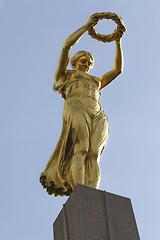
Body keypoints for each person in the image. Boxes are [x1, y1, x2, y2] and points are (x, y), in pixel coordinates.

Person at [40, 14, 124, 196]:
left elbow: (118, 70)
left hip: (97, 112)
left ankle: (92, 195)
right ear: (75, 62)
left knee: (94, 154)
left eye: (89, 62)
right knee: (81, 148)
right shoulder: (65, 76)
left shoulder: (96, 81)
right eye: (83, 61)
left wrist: (117, 41)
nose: (87, 64)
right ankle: (80, 192)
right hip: (76, 107)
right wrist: (86, 27)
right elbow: (66, 45)